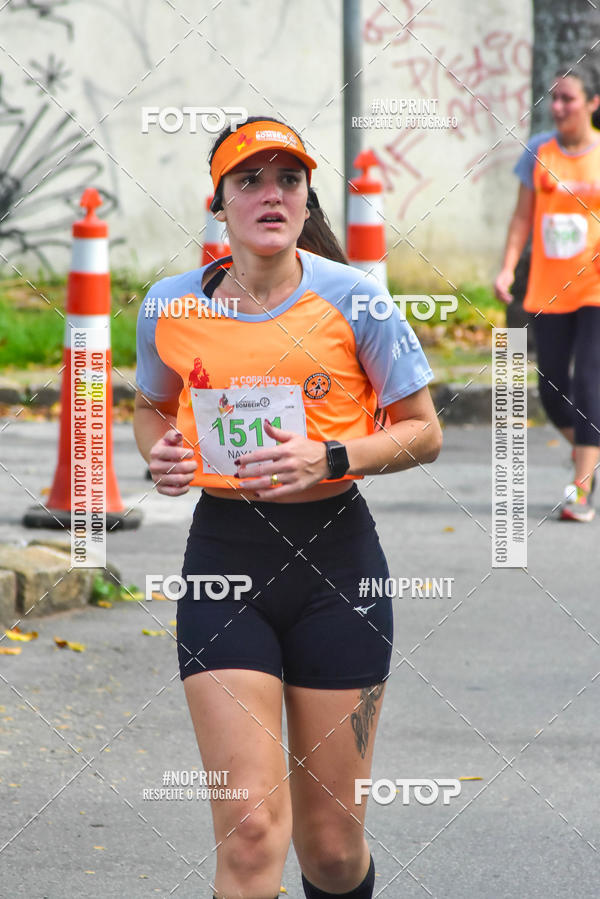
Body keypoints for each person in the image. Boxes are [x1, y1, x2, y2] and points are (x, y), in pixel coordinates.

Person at [134, 115, 442, 899]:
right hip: (224, 562)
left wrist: (332, 455)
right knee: (249, 837)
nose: (271, 194)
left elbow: (423, 433)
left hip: (339, 564)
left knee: (332, 849)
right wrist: (157, 449)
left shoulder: (358, 302)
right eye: (250, 180)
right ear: (220, 202)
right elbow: (149, 407)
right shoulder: (170, 306)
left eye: (289, 180)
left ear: (307, 201)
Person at [495, 61, 600, 522]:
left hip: (596, 286)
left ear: (593, 103)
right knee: (551, 385)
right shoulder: (539, 151)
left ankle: (580, 489)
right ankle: (589, 451)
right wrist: (506, 268)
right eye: (553, 99)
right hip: (548, 286)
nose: (557, 107)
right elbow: (522, 216)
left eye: (567, 99)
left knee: (589, 379)